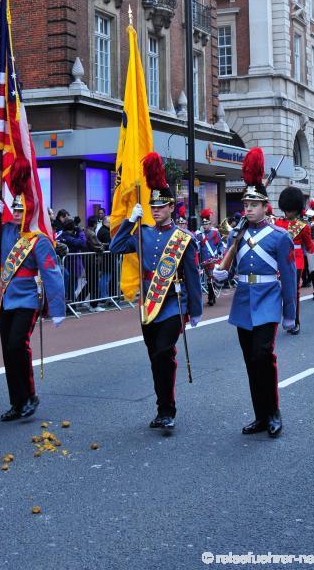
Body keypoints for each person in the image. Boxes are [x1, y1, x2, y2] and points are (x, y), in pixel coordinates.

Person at [110, 153, 202, 432]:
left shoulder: (183, 240)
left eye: (161, 206)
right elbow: (115, 248)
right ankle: (162, 405)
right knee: (154, 357)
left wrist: (194, 311)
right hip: (148, 304)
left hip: (173, 303)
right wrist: (129, 221)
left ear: (172, 207)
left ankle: (167, 409)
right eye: (153, 206)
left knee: (164, 353)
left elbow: (193, 278)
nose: (156, 210)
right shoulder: (143, 233)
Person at [213, 147, 296, 438]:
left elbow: (288, 278)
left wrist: (290, 315)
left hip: (268, 300)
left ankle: (273, 412)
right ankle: (260, 416)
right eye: (245, 203)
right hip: (243, 301)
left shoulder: (279, 237)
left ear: (265, 206)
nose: (247, 208)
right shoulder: (238, 233)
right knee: (250, 360)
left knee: (263, 354)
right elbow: (227, 264)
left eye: (253, 204)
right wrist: (221, 273)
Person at [0, 195, 65, 421]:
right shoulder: (5, 232)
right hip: (6, 299)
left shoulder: (38, 240)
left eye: (21, 210)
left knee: (17, 345)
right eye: (14, 209)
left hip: (28, 299)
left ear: (30, 213)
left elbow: (51, 273)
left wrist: (57, 308)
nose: (15, 213)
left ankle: (30, 396)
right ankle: (17, 401)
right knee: (7, 351)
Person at [274, 186, 314, 336]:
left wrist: (311, 267)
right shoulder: (277, 224)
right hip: (278, 261)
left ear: (296, 209)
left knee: (293, 293)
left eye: (289, 209)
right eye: (286, 209)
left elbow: (309, 247)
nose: (287, 212)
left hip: (295, 261)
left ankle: (294, 321)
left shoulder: (303, 227)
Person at [196, 209, 225, 306]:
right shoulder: (199, 235)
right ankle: (211, 296)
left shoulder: (215, 233)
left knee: (212, 278)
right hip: (204, 260)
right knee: (209, 279)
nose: (205, 226)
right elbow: (198, 248)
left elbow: (220, 245)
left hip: (214, 259)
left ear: (210, 224)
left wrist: (220, 252)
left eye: (206, 224)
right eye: (203, 224)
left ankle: (211, 297)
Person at [84, 216, 105, 311]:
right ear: (95, 224)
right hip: (92, 260)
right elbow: (98, 247)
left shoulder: (85, 231)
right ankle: (94, 305)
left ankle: (80, 299)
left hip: (87, 259)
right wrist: (103, 246)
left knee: (90, 282)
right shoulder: (91, 233)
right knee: (94, 282)